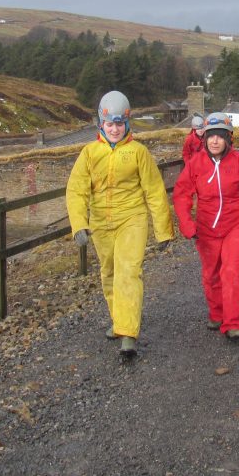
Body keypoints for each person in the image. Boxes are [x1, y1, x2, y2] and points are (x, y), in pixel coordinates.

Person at [66, 90, 175, 357]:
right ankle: (119, 320)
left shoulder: (139, 152)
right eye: (109, 124)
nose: (114, 129)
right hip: (101, 222)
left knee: (128, 271)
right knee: (109, 273)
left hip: (132, 218)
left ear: (127, 123)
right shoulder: (89, 153)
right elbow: (76, 190)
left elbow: (154, 191)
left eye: (119, 123)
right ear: (101, 123)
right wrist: (79, 224)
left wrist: (163, 231)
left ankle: (128, 334)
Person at [173, 111, 239, 340]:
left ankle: (233, 322)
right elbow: (182, 194)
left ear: (228, 138)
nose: (215, 141)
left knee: (232, 270)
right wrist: (187, 224)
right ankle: (217, 313)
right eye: (211, 136)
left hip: (236, 224)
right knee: (211, 274)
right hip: (206, 227)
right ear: (205, 138)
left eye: (220, 136)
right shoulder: (196, 163)